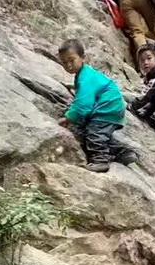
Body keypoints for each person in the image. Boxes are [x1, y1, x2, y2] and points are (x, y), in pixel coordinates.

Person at [58, 38, 138, 172]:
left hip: (107, 108)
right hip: (112, 106)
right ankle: (124, 153)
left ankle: (100, 161)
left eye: (72, 60)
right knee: (100, 135)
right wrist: (75, 86)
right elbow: (92, 87)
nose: (69, 65)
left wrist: (68, 118)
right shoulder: (85, 73)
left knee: (94, 133)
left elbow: (82, 105)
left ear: (83, 57)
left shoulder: (85, 77)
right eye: (64, 62)